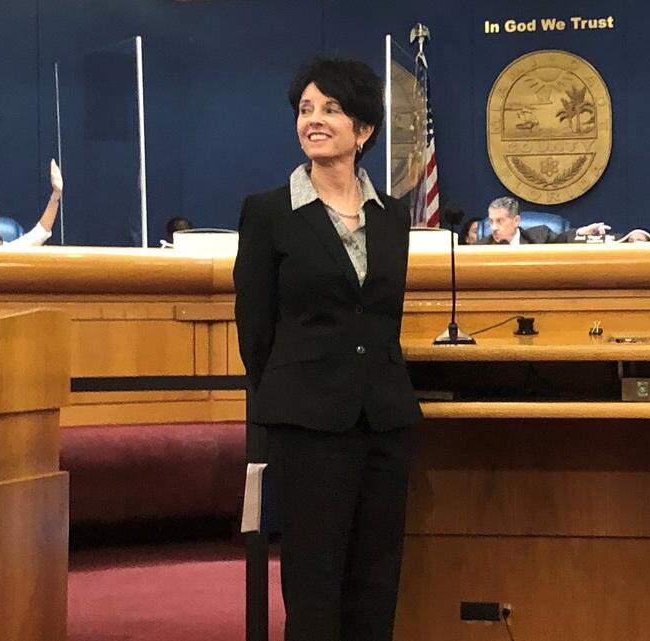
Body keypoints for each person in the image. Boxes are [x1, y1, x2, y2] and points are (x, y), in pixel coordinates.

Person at [233, 56, 421, 641]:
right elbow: (254, 329)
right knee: (314, 590)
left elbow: (383, 318)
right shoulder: (267, 213)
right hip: (307, 424)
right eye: (306, 109)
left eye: (331, 109)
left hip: (384, 421)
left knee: (376, 583)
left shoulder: (392, 216)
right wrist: (289, 398)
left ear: (364, 131)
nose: (314, 120)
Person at [478, 196, 610, 244]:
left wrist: (582, 232)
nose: (493, 227)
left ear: (516, 221)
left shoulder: (540, 236)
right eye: (491, 221)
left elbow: (563, 239)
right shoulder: (481, 247)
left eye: (500, 221)